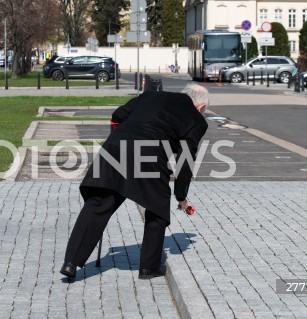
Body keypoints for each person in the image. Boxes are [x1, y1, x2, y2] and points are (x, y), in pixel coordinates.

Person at [60, 84, 209, 279]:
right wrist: (181, 196)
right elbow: (185, 161)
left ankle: (71, 262)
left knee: (98, 203)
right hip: (149, 156)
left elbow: (118, 115)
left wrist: (119, 138)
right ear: (200, 106)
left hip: (116, 148)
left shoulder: (151, 96)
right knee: (158, 207)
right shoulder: (197, 120)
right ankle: (149, 267)